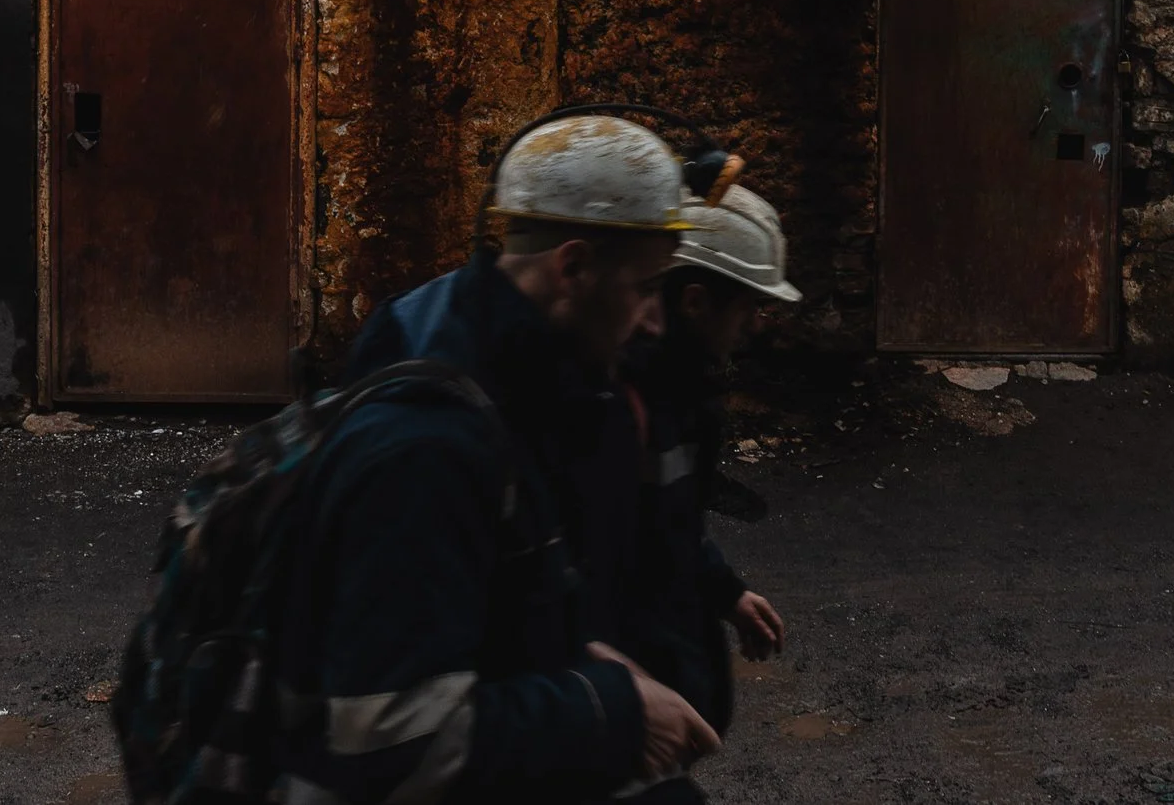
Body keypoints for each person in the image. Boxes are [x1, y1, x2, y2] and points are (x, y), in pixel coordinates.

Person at [271, 114, 722, 805]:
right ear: (571, 267)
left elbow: (496, 592)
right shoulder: (429, 442)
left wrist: (574, 654)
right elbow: (390, 738)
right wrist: (609, 711)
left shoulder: (537, 375)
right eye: (645, 288)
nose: (657, 321)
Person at [618, 183, 801, 802]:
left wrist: (726, 592)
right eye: (748, 305)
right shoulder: (620, 405)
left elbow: (669, 527)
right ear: (695, 301)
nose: (757, 322)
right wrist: (614, 705)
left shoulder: (683, 401)